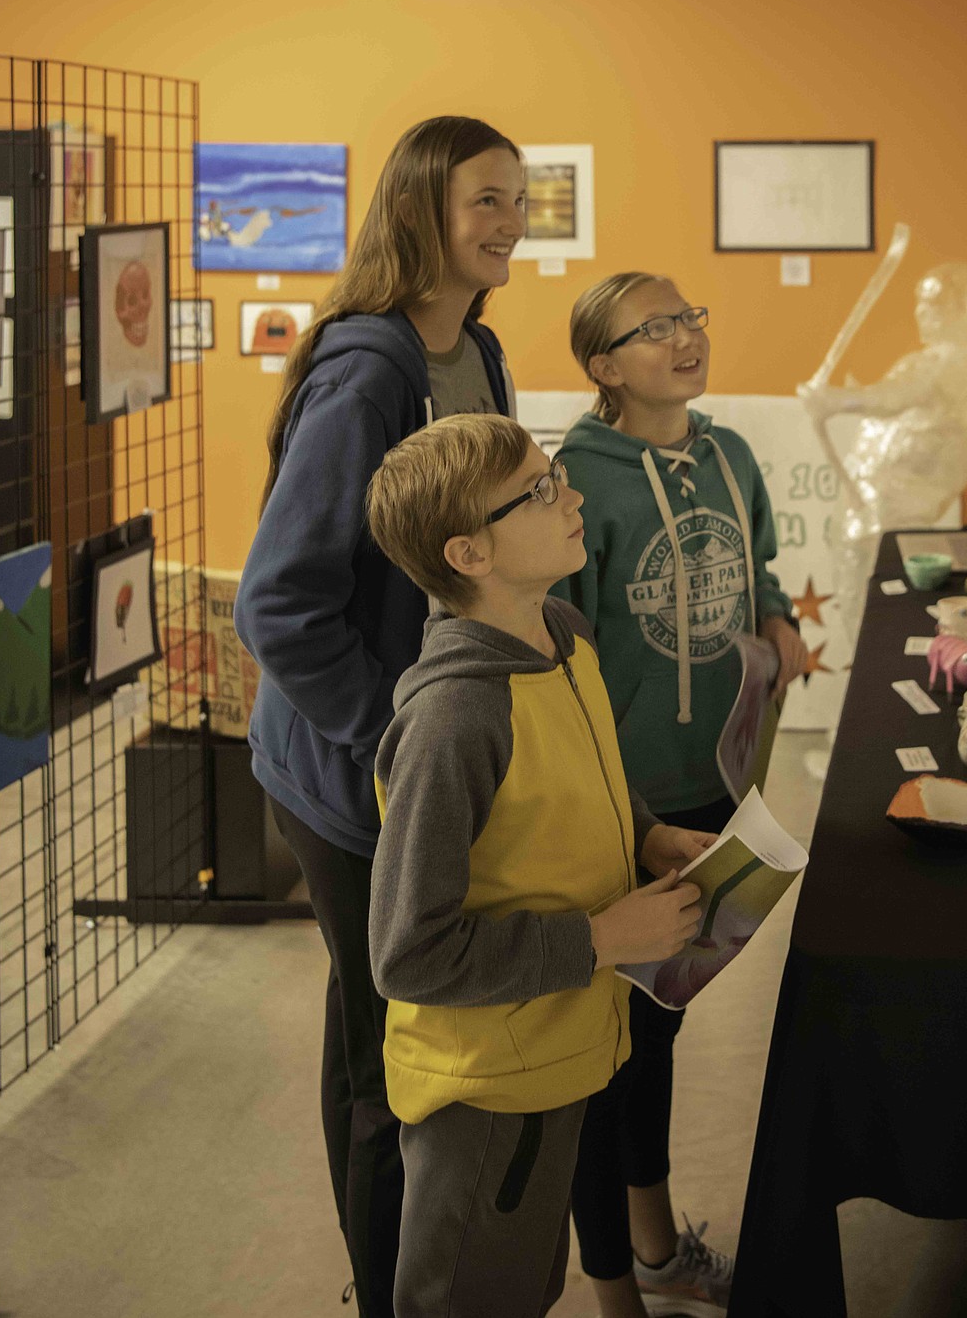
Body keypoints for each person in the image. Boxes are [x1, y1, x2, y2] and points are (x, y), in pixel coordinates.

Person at [232, 116, 525, 1318]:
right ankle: (381, 1286)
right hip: (348, 773)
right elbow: (280, 602)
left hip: (416, 753)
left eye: (520, 198)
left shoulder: (482, 349)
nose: (510, 221)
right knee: (378, 1055)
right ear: (421, 213)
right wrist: (390, 735)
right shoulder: (369, 371)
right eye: (487, 201)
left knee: (398, 1025)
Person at [365, 413, 713, 1317]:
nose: (576, 498)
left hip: (560, 1049)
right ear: (469, 554)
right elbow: (409, 952)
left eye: (555, 474)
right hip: (488, 1092)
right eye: (542, 491)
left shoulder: (562, 631)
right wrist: (600, 937)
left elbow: (580, 772)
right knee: (476, 1293)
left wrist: (646, 836)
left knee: (526, 1280)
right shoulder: (452, 724)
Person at [553, 271, 810, 1318]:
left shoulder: (732, 453)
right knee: (601, 1056)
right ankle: (619, 1282)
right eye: (651, 328)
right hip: (621, 807)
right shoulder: (576, 478)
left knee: (659, 1029)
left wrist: (784, 617)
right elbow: (553, 643)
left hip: (715, 790)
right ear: (604, 365)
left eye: (689, 316)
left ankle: (654, 1245)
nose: (683, 337)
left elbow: (764, 568)